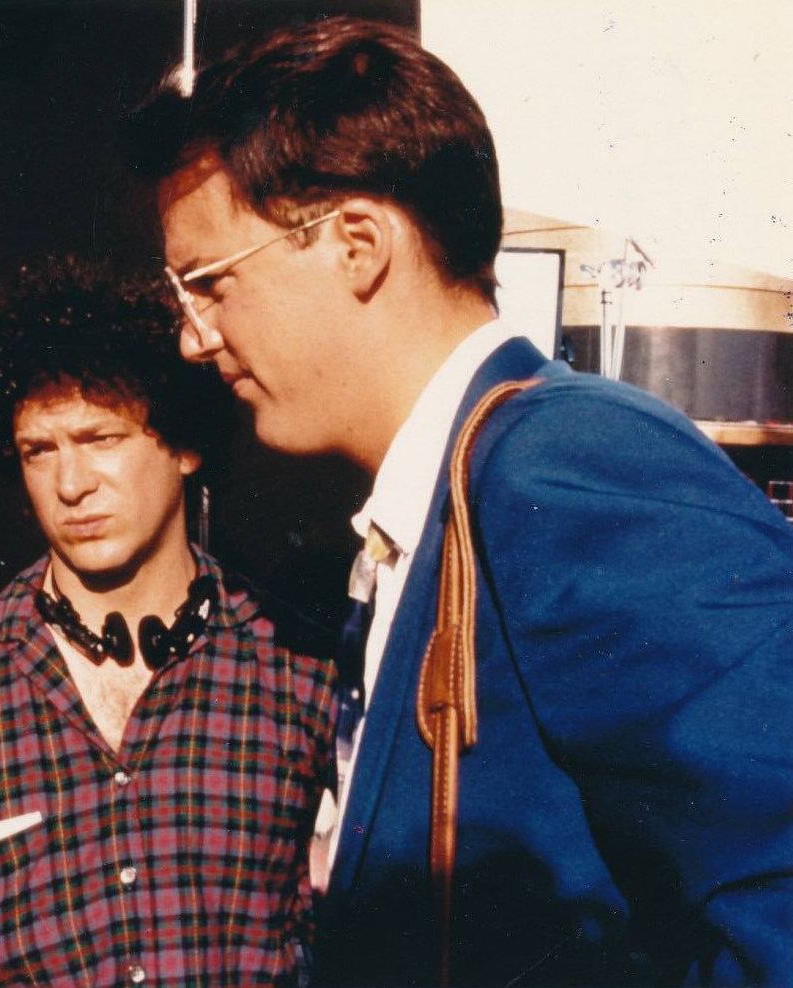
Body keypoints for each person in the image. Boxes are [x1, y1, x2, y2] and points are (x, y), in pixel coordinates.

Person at [131, 17, 793, 986]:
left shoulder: (564, 468)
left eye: (207, 284)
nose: (193, 336)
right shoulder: (450, 495)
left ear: (356, 244)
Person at [0, 263, 336, 988]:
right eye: (40, 451)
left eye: (100, 438)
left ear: (184, 445)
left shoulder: (297, 670)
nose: (71, 484)